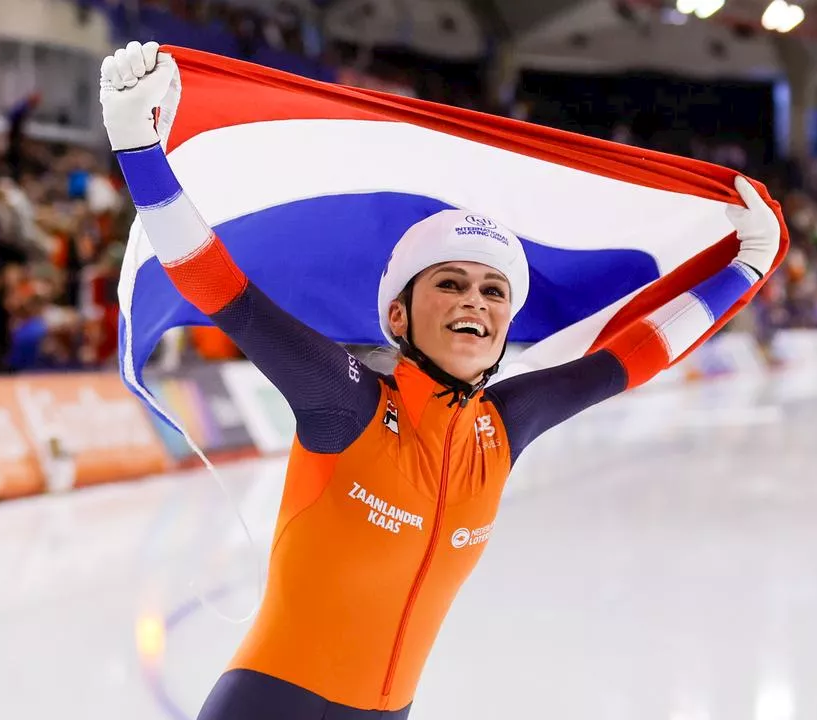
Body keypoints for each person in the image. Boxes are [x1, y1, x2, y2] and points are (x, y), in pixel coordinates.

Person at [100, 41, 781, 720]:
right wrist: (137, 146)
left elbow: (635, 355)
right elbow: (221, 287)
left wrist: (745, 269)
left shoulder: (505, 425)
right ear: (398, 315)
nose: (473, 302)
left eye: (493, 292)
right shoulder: (347, 401)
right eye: (449, 283)